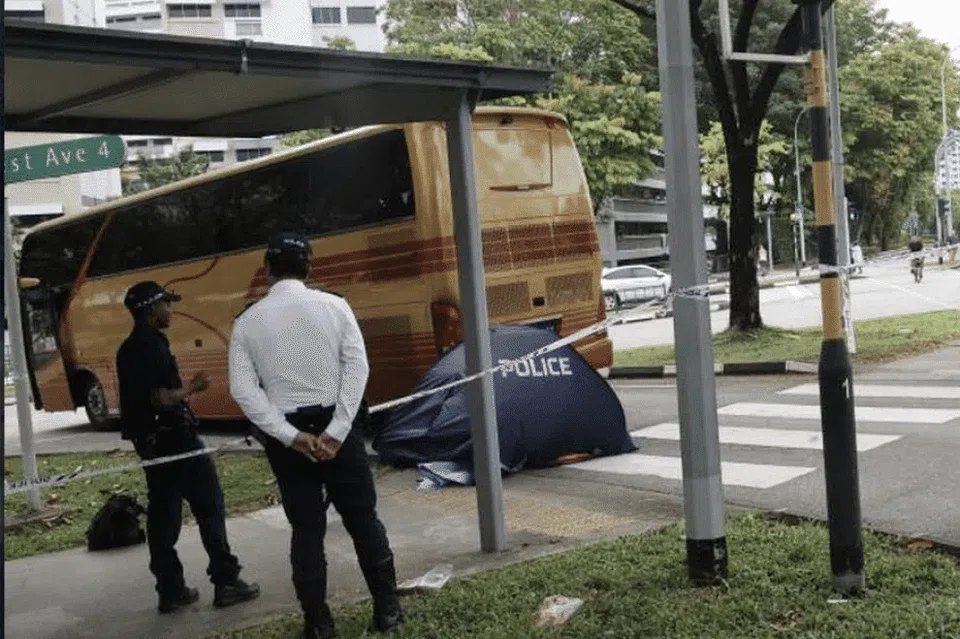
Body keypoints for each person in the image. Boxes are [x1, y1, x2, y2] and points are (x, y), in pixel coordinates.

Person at [228, 232, 404, 639]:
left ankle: (319, 624)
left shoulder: (247, 322)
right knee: (363, 521)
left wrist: (290, 436)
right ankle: (387, 612)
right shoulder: (336, 307)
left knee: (306, 531)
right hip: (338, 433)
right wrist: (339, 431)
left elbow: (243, 390)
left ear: (267, 270)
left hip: (289, 442)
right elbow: (357, 370)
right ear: (309, 267)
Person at [116, 281, 260, 614]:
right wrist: (193, 387)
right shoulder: (151, 346)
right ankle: (226, 581)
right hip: (176, 440)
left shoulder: (128, 348)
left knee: (163, 518)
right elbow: (160, 398)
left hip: (151, 445)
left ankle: (170, 589)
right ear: (151, 309)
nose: (171, 309)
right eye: (166, 303)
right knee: (210, 508)